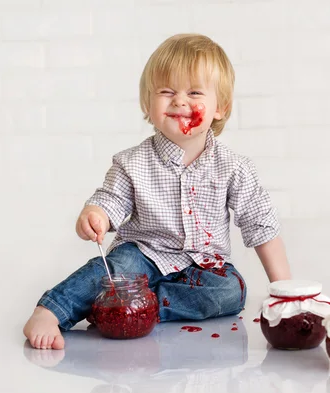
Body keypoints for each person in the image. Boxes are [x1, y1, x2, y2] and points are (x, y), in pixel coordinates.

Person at [23, 33, 291, 350]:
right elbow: (110, 201)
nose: (179, 101)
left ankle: (136, 308)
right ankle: (50, 311)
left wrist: (286, 290)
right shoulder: (131, 162)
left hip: (202, 266)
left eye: (194, 92)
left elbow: (260, 224)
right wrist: (94, 215)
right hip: (142, 257)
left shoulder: (234, 168)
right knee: (114, 271)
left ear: (221, 107)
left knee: (232, 292)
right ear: (147, 105)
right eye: (167, 92)